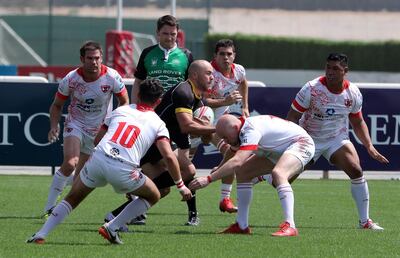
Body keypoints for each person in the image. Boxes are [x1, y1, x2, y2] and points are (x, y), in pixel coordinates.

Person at [27, 79, 193, 245]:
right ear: (158, 101)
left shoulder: (120, 110)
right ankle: (112, 227)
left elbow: (98, 138)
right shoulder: (158, 124)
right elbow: (169, 157)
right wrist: (181, 185)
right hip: (124, 168)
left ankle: (41, 233)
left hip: (98, 159)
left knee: (72, 198)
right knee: (154, 195)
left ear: (139, 95)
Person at [286, 53, 389, 230]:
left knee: (356, 170)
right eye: (328, 67)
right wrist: (295, 142)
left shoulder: (353, 93)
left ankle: (365, 222)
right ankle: (259, 176)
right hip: (309, 138)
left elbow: (358, 122)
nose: (330, 72)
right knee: (280, 179)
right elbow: (292, 117)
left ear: (345, 71)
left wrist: (369, 146)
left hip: (336, 139)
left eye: (335, 68)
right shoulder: (311, 88)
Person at [108, 60, 216, 226]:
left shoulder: (195, 94)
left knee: (162, 190)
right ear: (194, 75)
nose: (212, 77)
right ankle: (191, 214)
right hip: (149, 143)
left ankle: (116, 215)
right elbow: (186, 125)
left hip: (161, 141)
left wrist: (209, 130)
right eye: (208, 73)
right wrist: (215, 129)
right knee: (188, 170)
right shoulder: (184, 92)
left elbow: (195, 129)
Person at [189, 114, 315, 237]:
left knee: (279, 173)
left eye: (226, 137)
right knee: (243, 172)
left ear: (234, 128)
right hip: (279, 149)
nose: (225, 141)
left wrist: (208, 179)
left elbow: (237, 161)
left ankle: (290, 226)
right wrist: (221, 166)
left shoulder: (250, 129)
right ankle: (241, 225)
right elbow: (231, 152)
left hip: (301, 144)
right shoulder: (239, 130)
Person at [42, 41, 129, 217]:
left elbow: (125, 101)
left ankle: (62, 203)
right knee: (70, 163)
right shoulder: (71, 79)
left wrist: (115, 122)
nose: (94, 62)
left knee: (80, 179)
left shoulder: (112, 77)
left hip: (99, 130)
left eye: (97, 58)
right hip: (76, 124)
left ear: (101, 58)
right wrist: (53, 126)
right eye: (90, 58)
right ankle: (49, 208)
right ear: (82, 59)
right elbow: (57, 105)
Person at [202, 39, 249, 213]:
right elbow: (202, 101)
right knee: (182, 164)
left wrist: (245, 107)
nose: (226, 58)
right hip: (200, 120)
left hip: (219, 122)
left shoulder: (239, 70)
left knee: (232, 152)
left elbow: (243, 82)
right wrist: (226, 101)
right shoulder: (209, 72)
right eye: (222, 54)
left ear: (234, 55)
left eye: (229, 54)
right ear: (215, 56)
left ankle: (225, 199)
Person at [131, 14, 193, 104]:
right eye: (165, 33)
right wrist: (134, 106)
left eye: (173, 34)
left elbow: (191, 85)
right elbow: (138, 82)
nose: (169, 38)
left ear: (177, 33)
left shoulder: (187, 55)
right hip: (150, 110)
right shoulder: (147, 53)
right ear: (158, 32)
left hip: (176, 110)